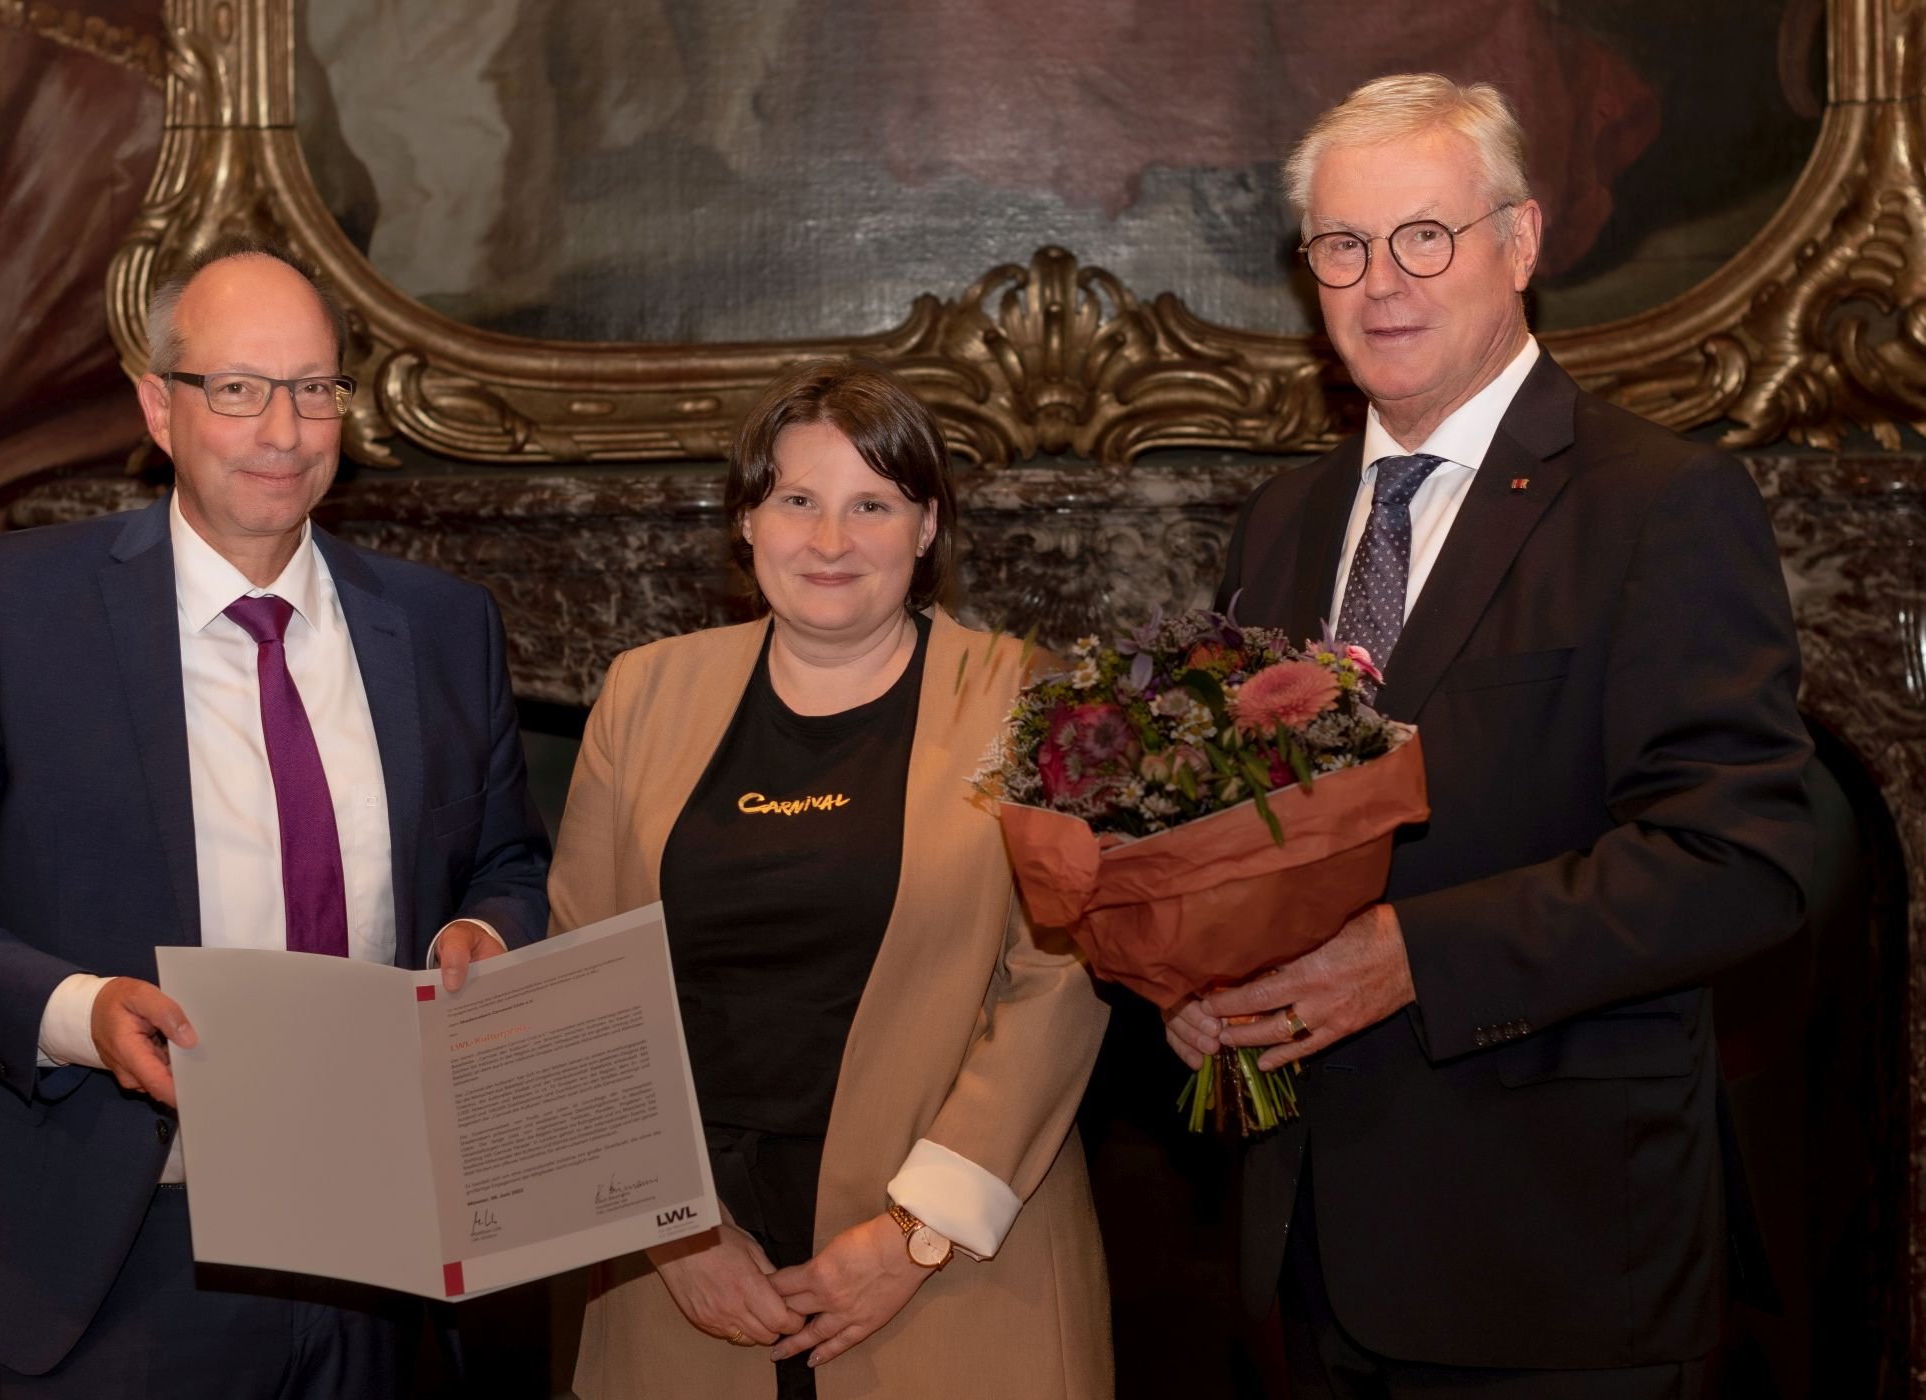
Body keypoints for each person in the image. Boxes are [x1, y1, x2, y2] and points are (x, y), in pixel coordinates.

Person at [1165, 75, 1815, 1395]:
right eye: (1342, 246)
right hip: (1304, 1267)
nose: (1380, 282)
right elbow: (1244, 834)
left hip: (1555, 1274)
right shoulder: (1283, 524)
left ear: (1519, 243)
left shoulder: (1659, 504)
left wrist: (1418, 956)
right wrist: (1193, 976)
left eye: (1425, 236)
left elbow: (1743, 858)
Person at [0, 237, 550, 1398]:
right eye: (237, 388)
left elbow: (506, 862)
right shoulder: (17, 607)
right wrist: (82, 1013)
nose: (283, 430)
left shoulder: (441, 626)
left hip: (387, 1242)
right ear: (158, 408)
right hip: (123, 1249)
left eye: (315, 388)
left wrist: (480, 934)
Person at [549, 359, 1112, 1399]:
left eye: (873, 505)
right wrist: (673, 1230)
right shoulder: (642, 693)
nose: (831, 540)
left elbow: (1061, 977)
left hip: (956, 1272)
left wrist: (917, 1231)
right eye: (797, 500)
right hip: (685, 1276)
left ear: (927, 527)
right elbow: (578, 977)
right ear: (748, 521)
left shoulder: (1024, 694)